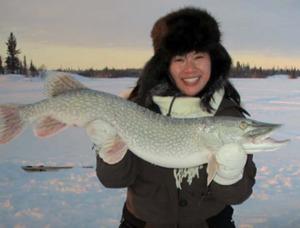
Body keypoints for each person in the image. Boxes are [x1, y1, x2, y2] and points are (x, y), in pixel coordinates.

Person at [87, 7, 256, 228]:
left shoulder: (229, 116)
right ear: (165, 65)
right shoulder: (136, 110)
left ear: (213, 60)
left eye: (198, 56)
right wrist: (110, 151)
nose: (190, 68)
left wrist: (230, 174)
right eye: (179, 59)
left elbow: (236, 195)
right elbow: (114, 180)